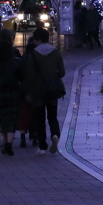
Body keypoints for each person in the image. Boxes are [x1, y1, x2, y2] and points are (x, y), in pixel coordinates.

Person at [23, 27, 66, 155]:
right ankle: (55, 135)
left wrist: (28, 92)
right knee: (53, 116)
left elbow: (29, 75)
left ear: (37, 40)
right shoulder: (56, 53)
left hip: (38, 91)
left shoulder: (33, 54)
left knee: (40, 119)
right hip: (52, 89)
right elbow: (62, 73)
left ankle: (42, 146)